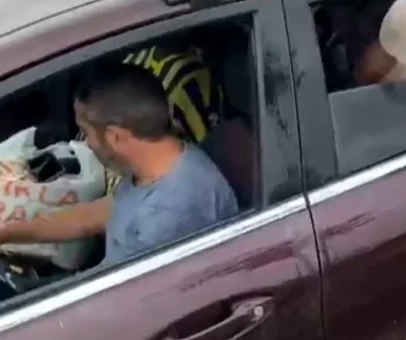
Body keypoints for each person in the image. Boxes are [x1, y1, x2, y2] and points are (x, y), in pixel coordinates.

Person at [0, 63, 238, 268]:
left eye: (85, 132)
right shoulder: (157, 165)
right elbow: (89, 217)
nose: (82, 142)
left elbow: (115, 302)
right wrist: (7, 233)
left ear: (114, 137)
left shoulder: (168, 217)